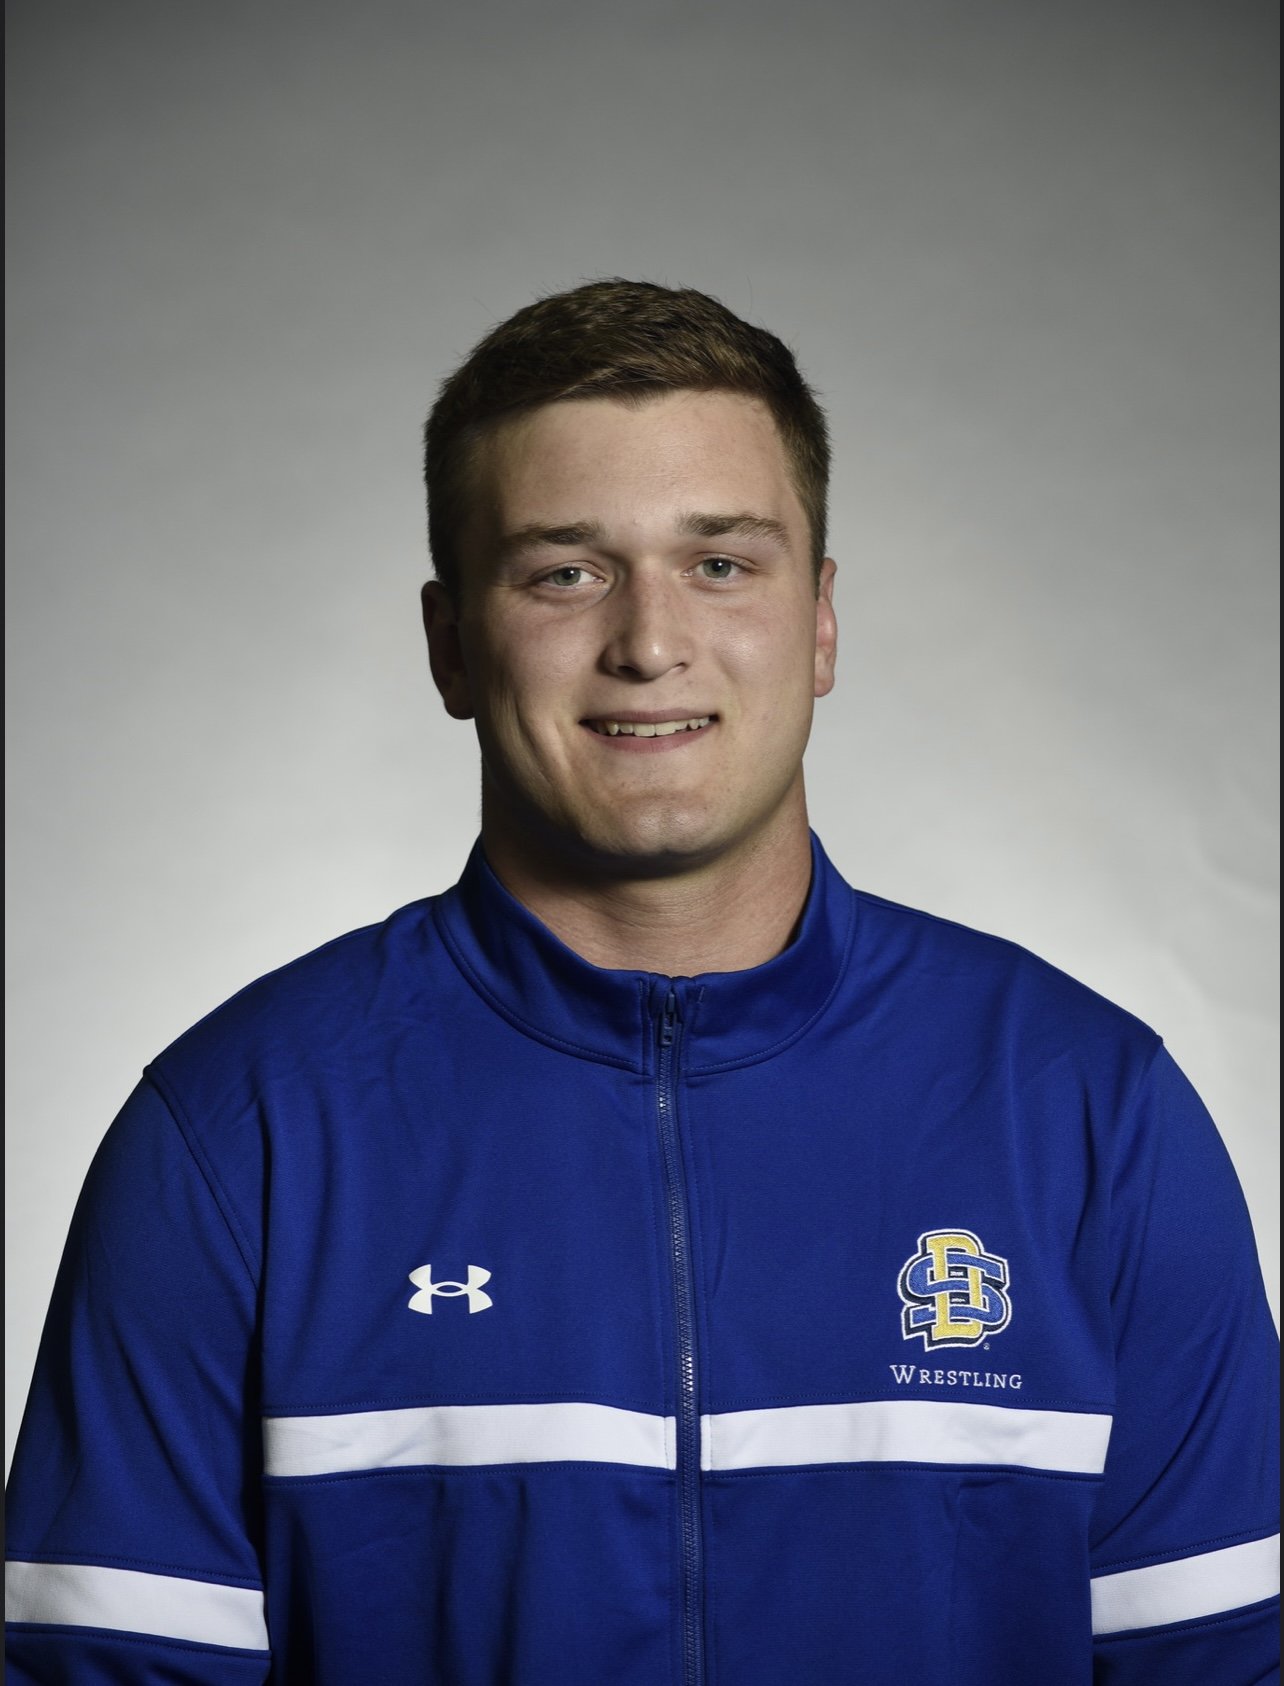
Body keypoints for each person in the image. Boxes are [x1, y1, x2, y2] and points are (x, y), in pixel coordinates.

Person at [5, 279, 1278, 1685]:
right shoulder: (236, 1133)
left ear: (823, 621)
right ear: (449, 645)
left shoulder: (1092, 1112)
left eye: (722, 561)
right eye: (565, 570)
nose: (651, 640)